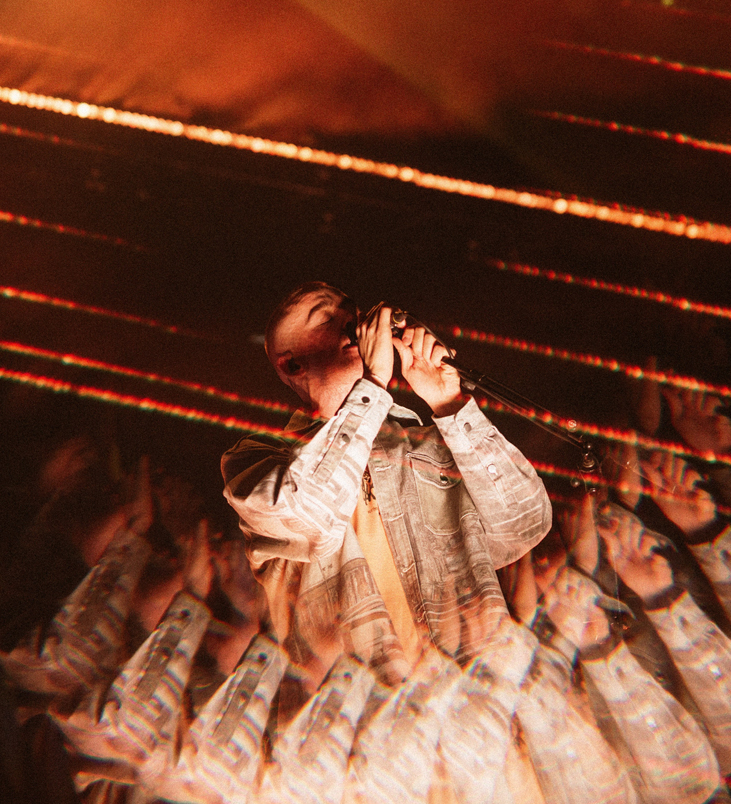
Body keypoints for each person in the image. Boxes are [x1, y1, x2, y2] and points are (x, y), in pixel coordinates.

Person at [220, 283, 553, 685]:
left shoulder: (429, 443)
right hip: (355, 722)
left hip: (466, 702)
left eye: (353, 312)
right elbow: (305, 514)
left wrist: (450, 405)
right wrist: (373, 385)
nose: (353, 323)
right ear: (291, 365)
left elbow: (526, 524)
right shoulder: (255, 460)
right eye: (326, 318)